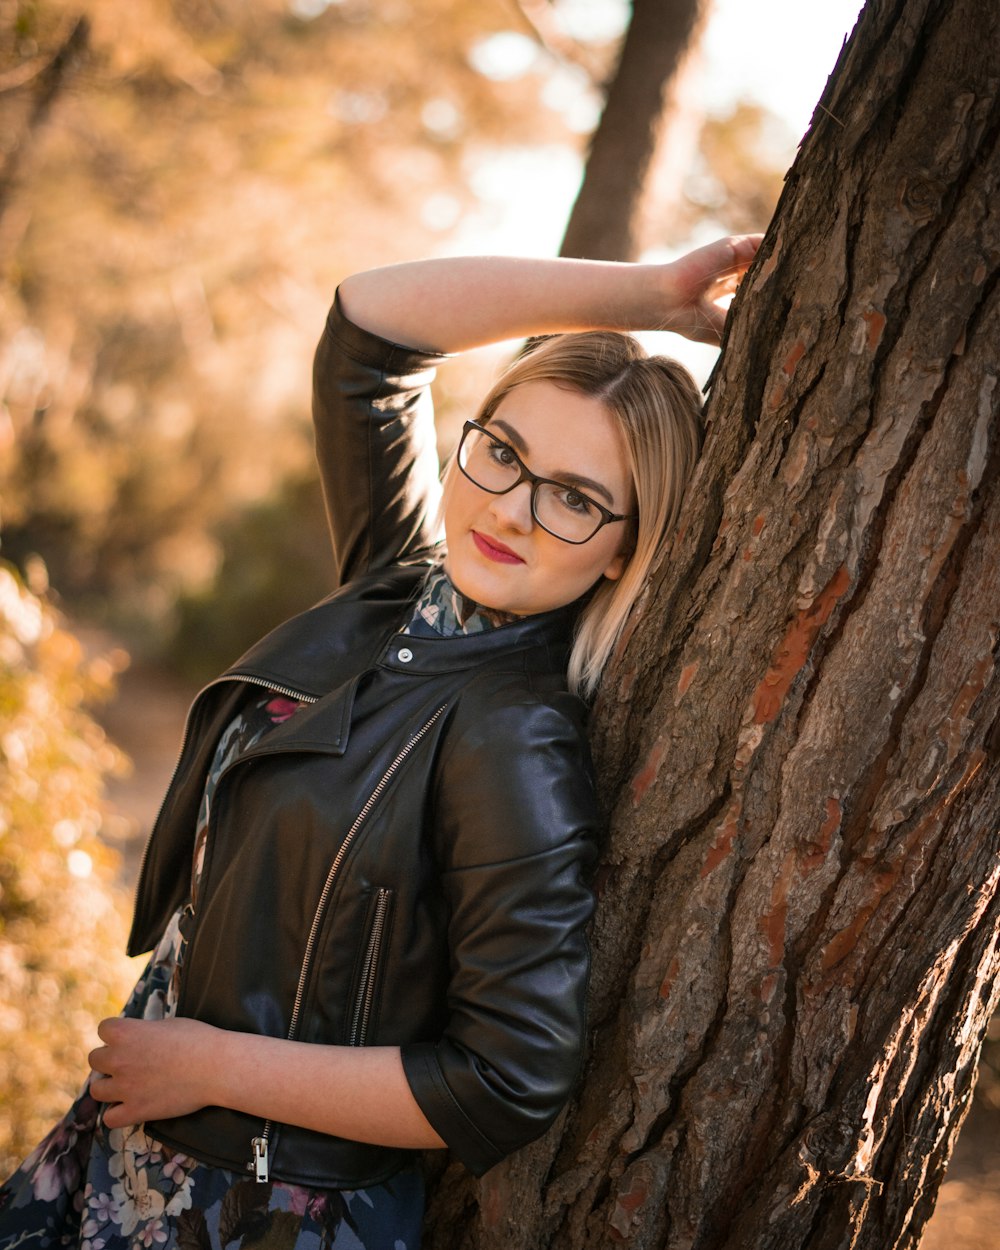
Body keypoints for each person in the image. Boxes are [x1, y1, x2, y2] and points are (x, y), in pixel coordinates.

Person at [0, 234, 760, 1249]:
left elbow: (505, 1079)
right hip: (130, 1143)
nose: (510, 509)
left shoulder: (515, 737)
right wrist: (647, 295)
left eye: (574, 498)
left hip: (258, 1208)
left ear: (627, 543)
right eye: (502, 450)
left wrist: (213, 1066)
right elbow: (370, 326)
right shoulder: (396, 586)